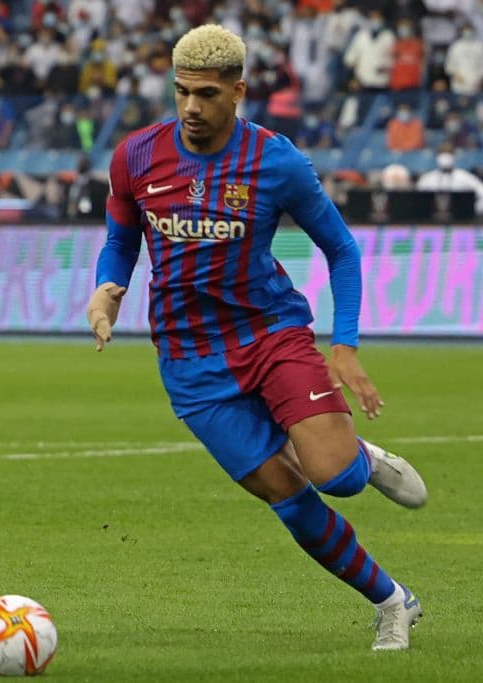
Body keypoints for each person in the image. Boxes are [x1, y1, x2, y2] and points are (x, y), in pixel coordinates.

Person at [87, 25, 427, 652]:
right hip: (189, 360)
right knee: (286, 495)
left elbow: (342, 249)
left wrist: (345, 345)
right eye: (182, 91)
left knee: (336, 477)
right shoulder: (135, 155)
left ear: (238, 91)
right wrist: (109, 287)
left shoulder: (276, 162)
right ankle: (392, 601)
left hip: (270, 333)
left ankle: (361, 458)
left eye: (207, 94)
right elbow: (121, 237)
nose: (191, 107)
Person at [416, 150, 483, 215]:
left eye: (449, 153)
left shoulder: (465, 177)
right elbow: (416, 198)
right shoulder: (427, 178)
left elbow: (481, 192)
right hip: (431, 217)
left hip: (461, 217)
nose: (445, 158)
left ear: (454, 157)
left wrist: (473, 210)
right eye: (443, 153)